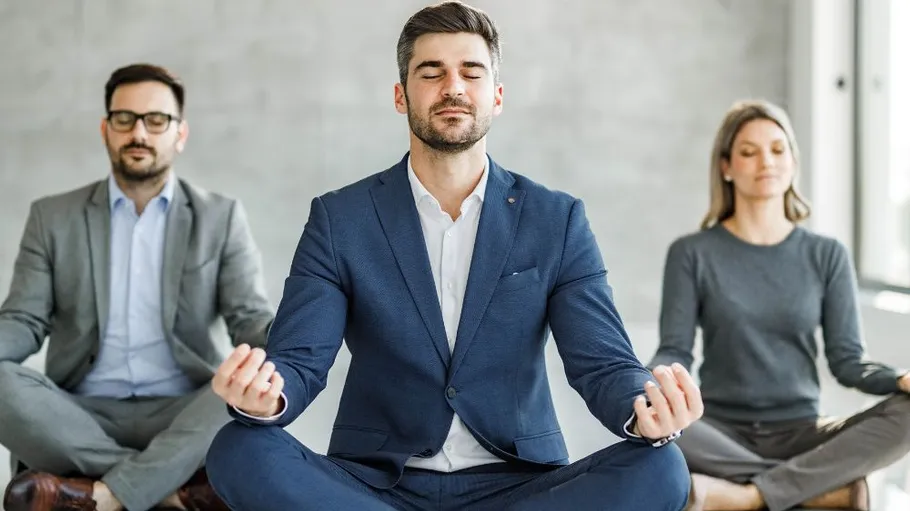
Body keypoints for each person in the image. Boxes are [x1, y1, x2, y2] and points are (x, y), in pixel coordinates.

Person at [205, 2, 703, 510]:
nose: (453, 87)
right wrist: (268, 396)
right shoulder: (340, 219)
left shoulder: (557, 219)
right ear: (401, 96)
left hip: (517, 484)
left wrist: (645, 407)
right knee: (239, 447)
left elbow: (602, 364)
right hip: (375, 485)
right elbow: (299, 360)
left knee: (662, 465)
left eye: (471, 72)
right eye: (431, 72)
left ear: (497, 95)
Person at [0, 63, 275, 511]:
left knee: (236, 395)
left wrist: (292, 345)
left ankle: (99, 494)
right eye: (125, 119)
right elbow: (23, 321)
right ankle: (166, 490)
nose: (139, 133)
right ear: (106, 129)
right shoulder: (52, 217)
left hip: (183, 408)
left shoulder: (220, 217)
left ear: (179, 134)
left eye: (156, 120)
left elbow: (248, 318)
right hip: (78, 411)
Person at [648, 99, 910, 511]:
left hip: (802, 432)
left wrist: (899, 379)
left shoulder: (827, 254)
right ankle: (812, 486)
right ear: (727, 167)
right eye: (748, 152)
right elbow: (675, 349)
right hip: (717, 432)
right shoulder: (691, 253)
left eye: (777, 149)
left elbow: (848, 361)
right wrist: (648, 381)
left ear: (792, 161)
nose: (765, 162)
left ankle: (748, 496)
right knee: (657, 426)